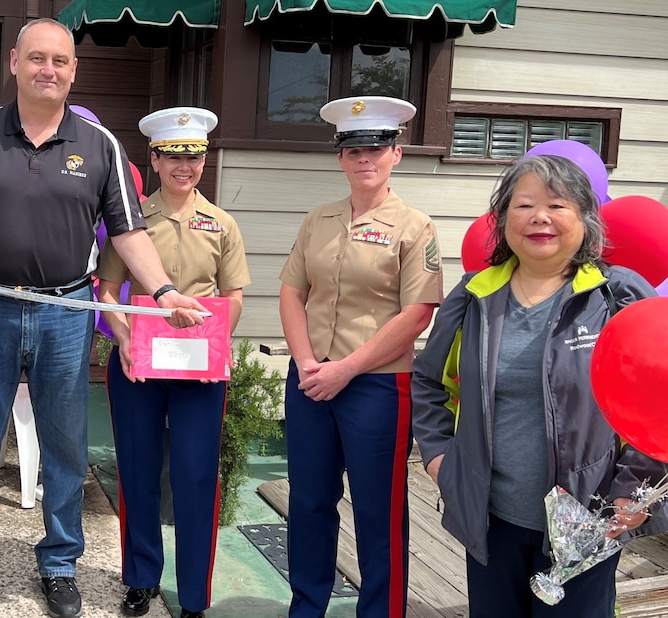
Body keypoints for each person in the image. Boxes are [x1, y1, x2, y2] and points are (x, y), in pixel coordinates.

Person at [0, 17, 206, 618]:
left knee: (67, 445)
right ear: (15, 62)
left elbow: (128, 232)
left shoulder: (100, 147)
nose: (50, 70)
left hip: (66, 311)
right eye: (39, 58)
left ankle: (59, 563)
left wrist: (164, 291)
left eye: (62, 61)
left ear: (74, 70)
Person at [411, 154, 668, 617]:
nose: (539, 217)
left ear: (585, 220)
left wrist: (634, 488)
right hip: (491, 522)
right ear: (504, 219)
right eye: (524, 205)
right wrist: (439, 460)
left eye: (557, 205)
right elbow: (428, 382)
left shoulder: (617, 296)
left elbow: (660, 398)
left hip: (589, 523)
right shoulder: (475, 295)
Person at [278, 96, 442, 618]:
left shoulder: (416, 227)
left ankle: (381, 612)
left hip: (375, 385)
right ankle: (307, 606)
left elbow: (418, 313)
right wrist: (306, 364)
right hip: (310, 380)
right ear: (340, 156)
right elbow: (291, 293)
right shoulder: (318, 219)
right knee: (308, 502)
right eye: (353, 149)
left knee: (378, 510)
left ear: (397, 153)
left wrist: (345, 369)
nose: (365, 158)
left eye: (377, 147)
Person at [97, 107, 250, 618]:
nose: (185, 166)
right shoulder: (130, 218)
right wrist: (121, 340)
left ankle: (194, 597)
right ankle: (140, 579)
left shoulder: (222, 223)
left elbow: (233, 295)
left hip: (199, 371)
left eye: (195, 156)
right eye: (173, 156)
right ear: (155, 160)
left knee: (195, 476)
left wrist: (214, 347)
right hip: (139, 364)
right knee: (137, 471)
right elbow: (108, 289)